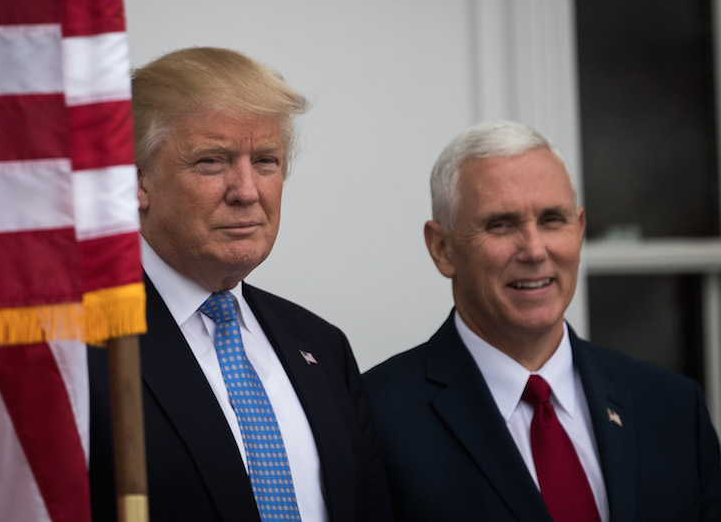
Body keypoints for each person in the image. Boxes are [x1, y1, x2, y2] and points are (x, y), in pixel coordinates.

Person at [88, 47, 392, 521]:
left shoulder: (322, 347)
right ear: (137, 182)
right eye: (212, 161)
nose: (247, 191)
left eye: (266, 161)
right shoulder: (77, 345)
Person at [363, 119, 721, 521]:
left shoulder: (672, 408)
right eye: (501, 224)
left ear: (580, 230)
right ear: (443, 248)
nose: (534, 250)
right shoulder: (373, 419)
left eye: (552, 220)